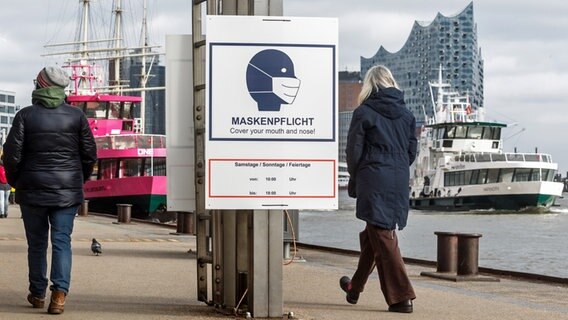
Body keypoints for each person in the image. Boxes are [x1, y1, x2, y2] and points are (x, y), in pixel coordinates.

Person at [2, 66, 97, 315]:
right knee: (61, 241)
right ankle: (59, 295)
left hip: (32, 190)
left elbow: (11, 155)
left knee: (36, 244)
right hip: (67, 192)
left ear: (40, 85)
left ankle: (37, 293)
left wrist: (16, 181)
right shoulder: (77, 116)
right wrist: (78, 180)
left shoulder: (25, 116)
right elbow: (90, 154)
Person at [340, 65, 418, 313]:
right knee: (375, 234)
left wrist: (359, 175)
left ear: (370, 85)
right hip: (397, 180)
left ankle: (402, 297)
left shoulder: (364, 113)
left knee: (383, 236)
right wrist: (394, 167)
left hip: (373, 178)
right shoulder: (407, 115)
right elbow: (411, 152)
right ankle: (355, 287)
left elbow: (353, 152)